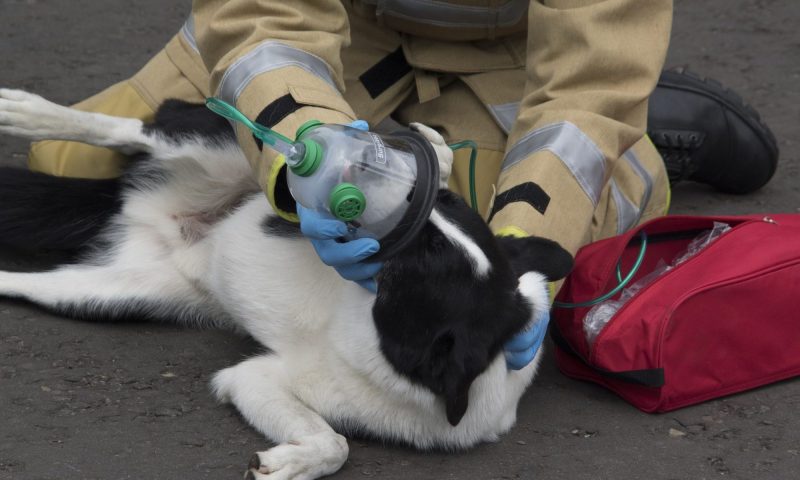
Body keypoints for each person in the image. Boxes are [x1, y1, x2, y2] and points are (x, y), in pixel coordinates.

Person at [27, 0, 778, 369]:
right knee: (68, 163)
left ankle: (662, 114)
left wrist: (517, 253)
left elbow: (587, 85)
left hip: (522, 58)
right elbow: (259, 18)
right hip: (340, 28)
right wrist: (311, 142)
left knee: (475, 234)